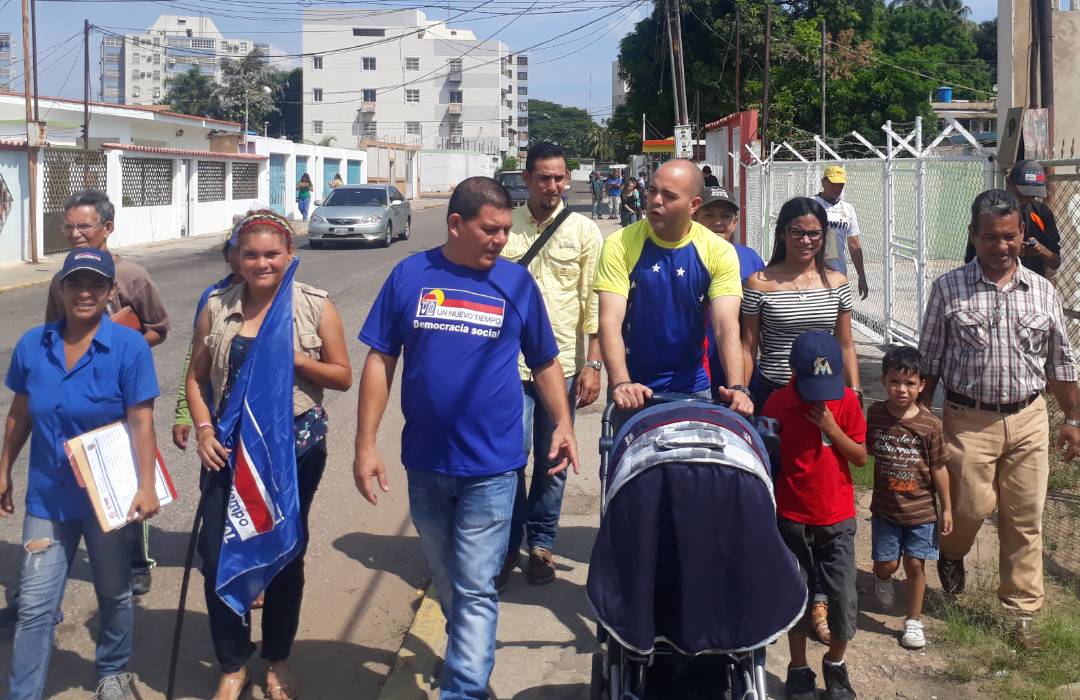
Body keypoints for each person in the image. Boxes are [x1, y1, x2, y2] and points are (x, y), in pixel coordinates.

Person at [353, 176, 579, 699]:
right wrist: (365, 444)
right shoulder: (409, 275)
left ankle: (464, 689)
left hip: (494, 468)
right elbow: (380, 360)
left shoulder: (516, 283)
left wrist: (564, 423)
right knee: (450, 580)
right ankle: (466, 651)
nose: (501, 240)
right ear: (456, 224)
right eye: (490, 230)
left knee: (476, 587)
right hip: (426, 466)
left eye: (505, 230)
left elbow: (545, 361)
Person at [186, 210, 353, 700]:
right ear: (237, 257)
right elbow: (196, 378)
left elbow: (342, 375)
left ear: (290, 256)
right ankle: (233, 662)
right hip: (227, 450)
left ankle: (276, 660)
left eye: (272, 254)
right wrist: (200, 429)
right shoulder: (217, 306)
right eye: (251, 254)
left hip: (292, 452)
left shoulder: (314, 306)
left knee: (284, 556)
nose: (262, 263)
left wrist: (295, 359)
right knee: (218, 556)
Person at [918, 188, 1080, 650]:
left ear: (1022, 235)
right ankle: (951, 553)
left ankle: (1021, 611)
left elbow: (1061, 363)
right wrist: (920, 425)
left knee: (1025, 518)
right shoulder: (948, 289)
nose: (1001, 246)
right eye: (991, 238)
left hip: (1029, 419)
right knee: (967, 509)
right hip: (968, 419)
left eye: (1010, 237)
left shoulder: (1043, 291)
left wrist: (1073, 417)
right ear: (974, 235)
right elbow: (928, 363)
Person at [1, 248, 161, 700]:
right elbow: (19, 413)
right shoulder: (35, 343)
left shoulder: (129, 347)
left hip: (107, 496)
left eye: (96, 284)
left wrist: (146, 486)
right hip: (48, 499)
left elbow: (142, 420)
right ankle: (22, 694)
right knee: (34, 604)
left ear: (112, 292)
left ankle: (112, 669)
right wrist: (4, 469)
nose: (85, 292)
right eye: (75, 283)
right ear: (62, 289)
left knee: (113, 591)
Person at [44, 189, 168, 596]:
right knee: (68, 479)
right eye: (70, 226)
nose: (76, 233)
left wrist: (120, 345)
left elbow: (158, 327)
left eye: (85, 225)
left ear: (107, 228)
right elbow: (51, 336)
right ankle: (50, 572)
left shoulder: (132, 275)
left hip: (119, 396)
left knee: (125, 476)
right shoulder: (60, 278)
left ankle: (135, 561)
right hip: (74, 394)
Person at [499, 142, 603, 589]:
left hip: (560, 366)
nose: (553, 185)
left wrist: (593, 363)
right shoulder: (505, 227)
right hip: (504, 367)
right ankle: (504, 546)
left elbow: (592, 302)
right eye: (544, 177)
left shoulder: (584, 232)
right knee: (507, 459)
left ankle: (540, 544)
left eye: (560, 177)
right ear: (526, 180)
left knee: (553, 460)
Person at [593, 159, 752, 416]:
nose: (656, 200)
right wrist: (621, 381)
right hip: (632, 388)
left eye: (669, 196)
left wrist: (738, 387)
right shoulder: (619, 244)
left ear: (694, 205)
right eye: (653, 191)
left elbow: (725, 326)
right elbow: (610, 320)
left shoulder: (718, 251)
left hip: (692, 386)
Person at [761, 330, 867, 700]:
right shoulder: (777, 403)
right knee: (798, 595)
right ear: (793, 372)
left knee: (842, 597)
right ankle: (798, 668)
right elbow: (767, 458)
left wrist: (831, 428)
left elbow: (859, 456)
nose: (820, 397)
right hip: (792, 516)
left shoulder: (846, 402)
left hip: (836, 516)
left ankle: (836, 666)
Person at [741, 196, 861, 413]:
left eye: (814, 233)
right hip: (773, 392)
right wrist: (741, 390)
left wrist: (855, 389)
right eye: (797, 232)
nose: (806, 241)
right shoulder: (758, 283)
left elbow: (846, 343)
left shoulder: (838, 282)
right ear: (782, 234)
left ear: (824, 236)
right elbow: (748, 347)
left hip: (823, 393)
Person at [867, 346, 952, 651]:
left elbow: (940, 467)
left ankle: (913, 620)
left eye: (909, 384)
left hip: (921, 512)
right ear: (883, 381)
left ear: (922, 385)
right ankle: (882, 577)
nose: (901, 390)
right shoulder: (875, 414)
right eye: (894, 382)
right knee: (887, 564)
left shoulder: (930, 425)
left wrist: (947, 507)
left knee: (916, 565)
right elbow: (865, 451)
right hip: (886, 510)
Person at [694, 186, 764, 400]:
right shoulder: (681, 256)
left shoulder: (750, 259)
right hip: (693, 371)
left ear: (735, 222)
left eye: (725, 216)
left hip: (737, 368)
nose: (718, 222)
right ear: (695, 217)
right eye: (709, 215)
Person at [172, 236, 241, 451]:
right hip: (219, 418)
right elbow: (195, 359)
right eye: (237, 249)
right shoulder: (213, 299)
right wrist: (185, 413)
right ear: (227, 255)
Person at [962, 160, 1061, 277]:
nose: (1025, 200)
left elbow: (1055, 262)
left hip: (1029, 288)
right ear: (1008, 182)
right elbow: (970, 259)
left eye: (1031, 195)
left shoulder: (1042, 212)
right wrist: (1010, 252)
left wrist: (1041, 250)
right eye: (1021, 194)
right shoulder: (989, 210)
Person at [813, 166, 869, 300]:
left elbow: (854, 244)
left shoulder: (848, 209)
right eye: (833, 183)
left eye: (840, 184)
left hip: (838, 274)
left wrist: (861, 276)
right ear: (823, 182)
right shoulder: (811, 204)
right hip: (812, 274)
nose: (837, 188)